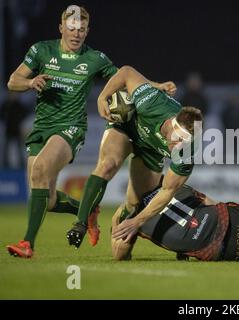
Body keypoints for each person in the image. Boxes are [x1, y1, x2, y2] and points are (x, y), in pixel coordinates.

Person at [6, 5, 118, 258]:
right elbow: (13, 81)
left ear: (87, 31)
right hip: (41, 128)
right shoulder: (41, 50)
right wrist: (30, 82)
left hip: (71, 128)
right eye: (71, 28)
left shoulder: (95, 58)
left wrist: (150, 89)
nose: (76, 34)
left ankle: (27, 244)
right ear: (61, 29)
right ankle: (86, 211)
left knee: (41, 168)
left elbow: (122, 79)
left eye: (81, 29)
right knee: (49, 197)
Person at [66, 65, 203, 249]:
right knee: (108, 164)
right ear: (173, 124)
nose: (178, 146)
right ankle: (81, 223)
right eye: (178, 139)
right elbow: (126, 72)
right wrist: (102, 97)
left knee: (132, 211)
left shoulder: (187, 150)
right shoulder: (152, 102)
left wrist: (137, 221)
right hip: (127, 128)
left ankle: (125, 215)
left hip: (150, 151)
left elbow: (167, 191)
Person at [111, 183, 239, 262]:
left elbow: (119, 255)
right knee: (238, 210)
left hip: (209, 250)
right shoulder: (176, 186)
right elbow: (210, 202)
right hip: (227, 221)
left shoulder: (128, 218)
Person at [0, 92, 29, 168]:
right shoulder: (6, 104)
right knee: (6, 148)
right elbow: (2, 114)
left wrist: (19, 121)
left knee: (19, 148)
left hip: (16, 129)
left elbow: (25, 113)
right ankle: (5, 165)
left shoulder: (18, 105)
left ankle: (22, 164)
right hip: (8, 129)